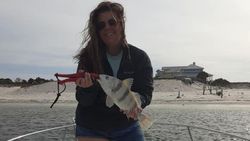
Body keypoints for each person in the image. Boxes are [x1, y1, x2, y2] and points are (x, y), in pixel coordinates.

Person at [74, 1, 153, 141]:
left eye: (112, 22)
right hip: (91, 127)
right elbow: (83, 100)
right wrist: (87, 89)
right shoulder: (88, 57)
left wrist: (138, 101)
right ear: (96, 30)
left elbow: (146, 92)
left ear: (121, 23)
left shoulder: (140, 57)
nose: (107, 27)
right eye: (101, 25)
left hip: (127, 126)